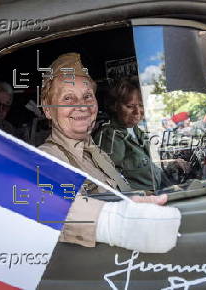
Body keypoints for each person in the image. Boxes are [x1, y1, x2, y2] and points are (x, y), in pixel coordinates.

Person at [38, 53, 181, 253]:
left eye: (87, 96)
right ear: (47, 108)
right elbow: (44, 202)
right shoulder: (48, 157)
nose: (82, 105)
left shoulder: (95, 153)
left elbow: (125, 193)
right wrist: (116, 222)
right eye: (68, 98)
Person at [93, 77, 190, 191]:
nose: (137, 112)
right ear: (114, 106)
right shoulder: (110, 136)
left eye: (141, 105)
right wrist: (140, 195)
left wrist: (171, 164)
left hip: (157, 192)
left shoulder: (135, 130)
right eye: (130, 106)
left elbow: (144, 167)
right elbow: (111, 180)